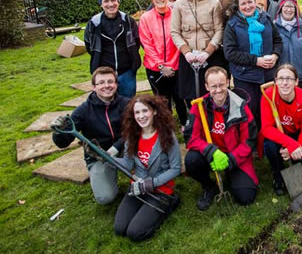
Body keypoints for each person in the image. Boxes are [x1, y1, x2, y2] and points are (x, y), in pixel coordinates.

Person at [50, 67, 128, 205]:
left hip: (125, 148)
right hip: (99, 156)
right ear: (93, 87)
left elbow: (135, 130)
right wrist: (58, 133)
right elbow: (63, 143)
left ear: (116, 84)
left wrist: (116, 148)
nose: (107, 86)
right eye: (101, 82)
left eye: (110, 81)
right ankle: (106, 173)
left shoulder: (126, 104)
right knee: (105, 198)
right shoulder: (83, 111)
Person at [184, 66, 258, 210]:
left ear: (228, 82)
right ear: (206, 86)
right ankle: (209, 187)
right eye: (214, 86)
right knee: (191, 160)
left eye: (221, 85)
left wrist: (230, 160)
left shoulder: (241, 106)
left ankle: (230, 175)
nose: (218, 90)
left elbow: (249, 141)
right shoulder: (198, 106)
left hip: (235, 156)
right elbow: (190, 137)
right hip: (211, 155)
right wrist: (211, 151)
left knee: (246, 197)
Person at [112, 94, 181, 241]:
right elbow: (128, 164)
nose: (141, 116)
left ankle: (171, 202)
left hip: (161, 190)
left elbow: (175, 169)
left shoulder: (167, 136)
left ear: (154, 111)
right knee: (119, 229)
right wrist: (108, 159)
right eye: (137, 112)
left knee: (134, 233)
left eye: (145, 111)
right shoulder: (132, 136)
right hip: (138, 187)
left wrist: (152, 183)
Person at [223, 0, 283, 138]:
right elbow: (230, 52)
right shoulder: (232, 25)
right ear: (237, 6)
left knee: (270, 108)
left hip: (268, 73)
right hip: (245, 76)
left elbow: (278, 40)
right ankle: (252, 142)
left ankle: (270, 139)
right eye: (243, 4)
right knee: (251, 109)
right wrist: (256, 61)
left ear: (255, 2)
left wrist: (275, 55)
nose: (247, 6)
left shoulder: (266, 18)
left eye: (250, 2)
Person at [171, 0, 224, 107]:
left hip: (209, 56)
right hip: (189, 57)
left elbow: (219, 30)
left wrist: (208, 51)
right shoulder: (179, 5)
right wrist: (186, 52)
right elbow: (175, 32)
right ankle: (195, 123)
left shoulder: (214, 3)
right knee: (190, 94)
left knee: (213, 93)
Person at [261, 64, 302, 195]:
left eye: (289, 79)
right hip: (278, 135)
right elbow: (266, 128)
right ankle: (278, 175)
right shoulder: (268, 95)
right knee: (269, 146)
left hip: (297, 134)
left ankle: (296, 168)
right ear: (275, 81)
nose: (285, 83)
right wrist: (290, 145)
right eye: (281, 78)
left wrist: (297, 146)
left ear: (297, 81)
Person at [138, 0, 187, 125]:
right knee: (162, 102)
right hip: (155, 68)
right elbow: (147, 44)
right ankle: (167, 129)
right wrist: (161, 66)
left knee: (179, 98)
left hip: (176, 66)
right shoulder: (146, 18)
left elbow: (180, 39)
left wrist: (173, 65)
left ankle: (185, 127)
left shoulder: (175, 14)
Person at [84, 0, 141, 98]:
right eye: (106, 1)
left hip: (127, 72)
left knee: (128, 104)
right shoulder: (94, 24)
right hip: (104, 74)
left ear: (118, 2)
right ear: (101, 4)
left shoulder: (128, 21)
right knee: (107, 104)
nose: (110, 4)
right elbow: (89, 46)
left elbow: (136, 41)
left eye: (113, 0)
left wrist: (133, 65)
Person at [274, 0, 302, 87]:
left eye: (292, 7)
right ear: (281, 8)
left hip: (298, 74)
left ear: (296, 9)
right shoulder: (274, 26)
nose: (289, 10)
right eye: (286, 6)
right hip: (281, 76)